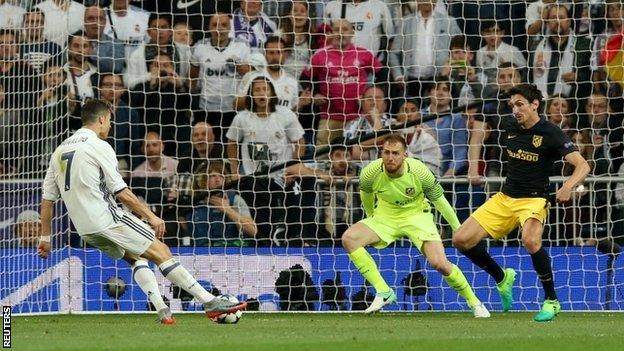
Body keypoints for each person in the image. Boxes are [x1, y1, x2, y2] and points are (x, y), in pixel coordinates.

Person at [38, 99, 247, 324]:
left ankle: (161, 310)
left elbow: (48, 199)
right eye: (109, 121)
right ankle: (209, 301)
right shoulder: (98, 146)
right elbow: (121, 192)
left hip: (85, 229)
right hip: (108, 218)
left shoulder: (60, 150)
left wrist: (45, 237)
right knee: (161, 250)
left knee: (136, 256)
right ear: (101, 119)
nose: (109, 126)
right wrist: (152, 217)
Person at [452, 84, 590, 322]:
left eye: (520, 105)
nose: (515, 110)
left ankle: (552, 301)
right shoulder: (508, 125)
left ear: (535, 104)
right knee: (460, 239)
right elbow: (477, 129)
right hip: (505, 197)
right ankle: (502, 277)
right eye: (512, 105)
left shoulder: (551, 133)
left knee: (530, 239)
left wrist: (568, 186)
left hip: (534, 199)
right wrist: (473, 166)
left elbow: (583, 165)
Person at [341, 134, 490, 317]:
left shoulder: (419, 171)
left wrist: (459, 229)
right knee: (349, 238)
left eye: (396, 153)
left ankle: (475, 303)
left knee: (440, 264)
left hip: (417, 216)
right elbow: (366, 194)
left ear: (405, 155)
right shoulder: (370, 172)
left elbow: (440, 201)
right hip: (385, 216)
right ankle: (384, 291)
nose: (390, 157)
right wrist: (372, 217)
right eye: (386, 152)